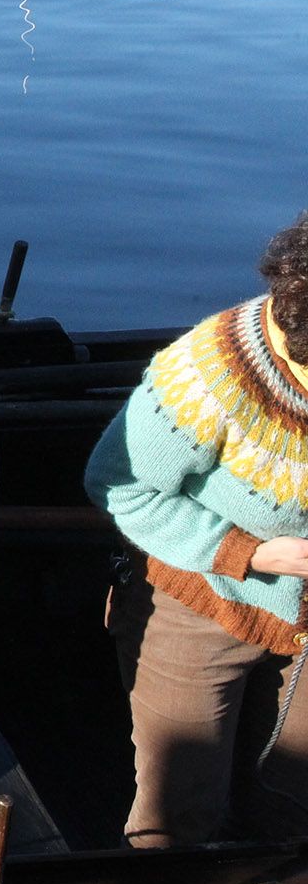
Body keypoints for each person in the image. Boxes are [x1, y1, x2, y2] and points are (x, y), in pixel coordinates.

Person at [85, 213, 308, 847]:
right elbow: (119, 486)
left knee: (295, 796)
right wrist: (253, 552)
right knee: (177, 805)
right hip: (204, 594)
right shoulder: (209, 373)